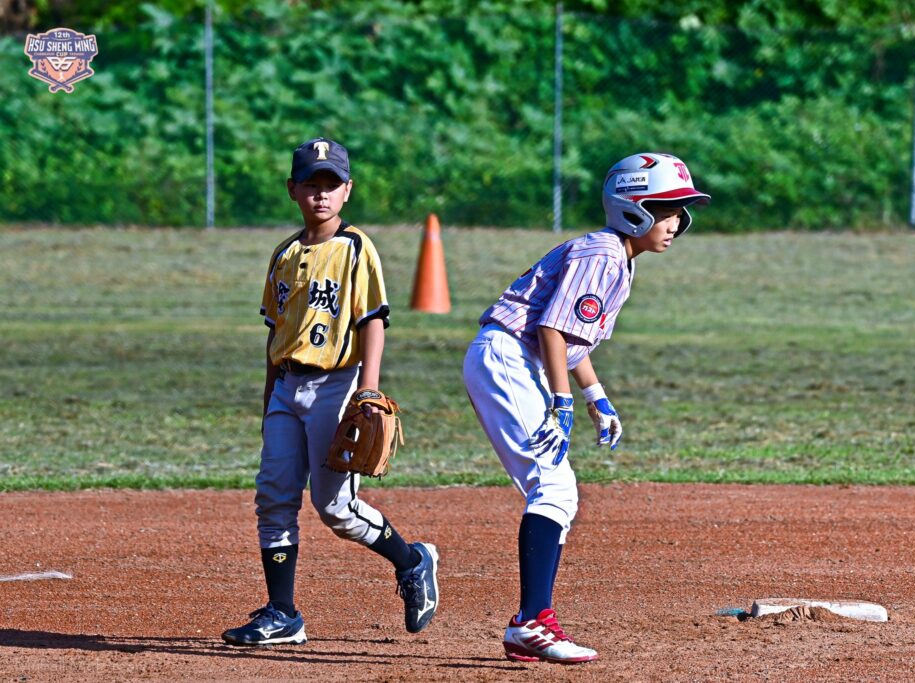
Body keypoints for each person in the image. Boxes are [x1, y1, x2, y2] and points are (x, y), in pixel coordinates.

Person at [463, 152, 710, 664]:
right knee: (551, 486)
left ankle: (532, 621)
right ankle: (532, 623)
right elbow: (551, 328)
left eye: (680, 211)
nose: (676, 222)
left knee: (557, 490)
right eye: (666, 209)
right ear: (632, 210)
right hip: (510, 357)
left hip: (516, 359)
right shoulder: (602, 254)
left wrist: (596, 396)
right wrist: (562, 399)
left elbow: (575, 340)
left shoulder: (618, 257)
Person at [222, 137, 439, 646]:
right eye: (311, 184)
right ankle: (282, 613)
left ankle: (412, 562)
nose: (321, 194)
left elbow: (373, 322)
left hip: (337, 385)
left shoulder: (356, 248)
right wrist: (267, 401)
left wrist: (369, 390)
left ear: (348, 191)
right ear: (292, 189)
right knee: (273, 496)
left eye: (332, 184)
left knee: (335, 509)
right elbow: (274, 334)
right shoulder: (283, 254)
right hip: (285, 387)